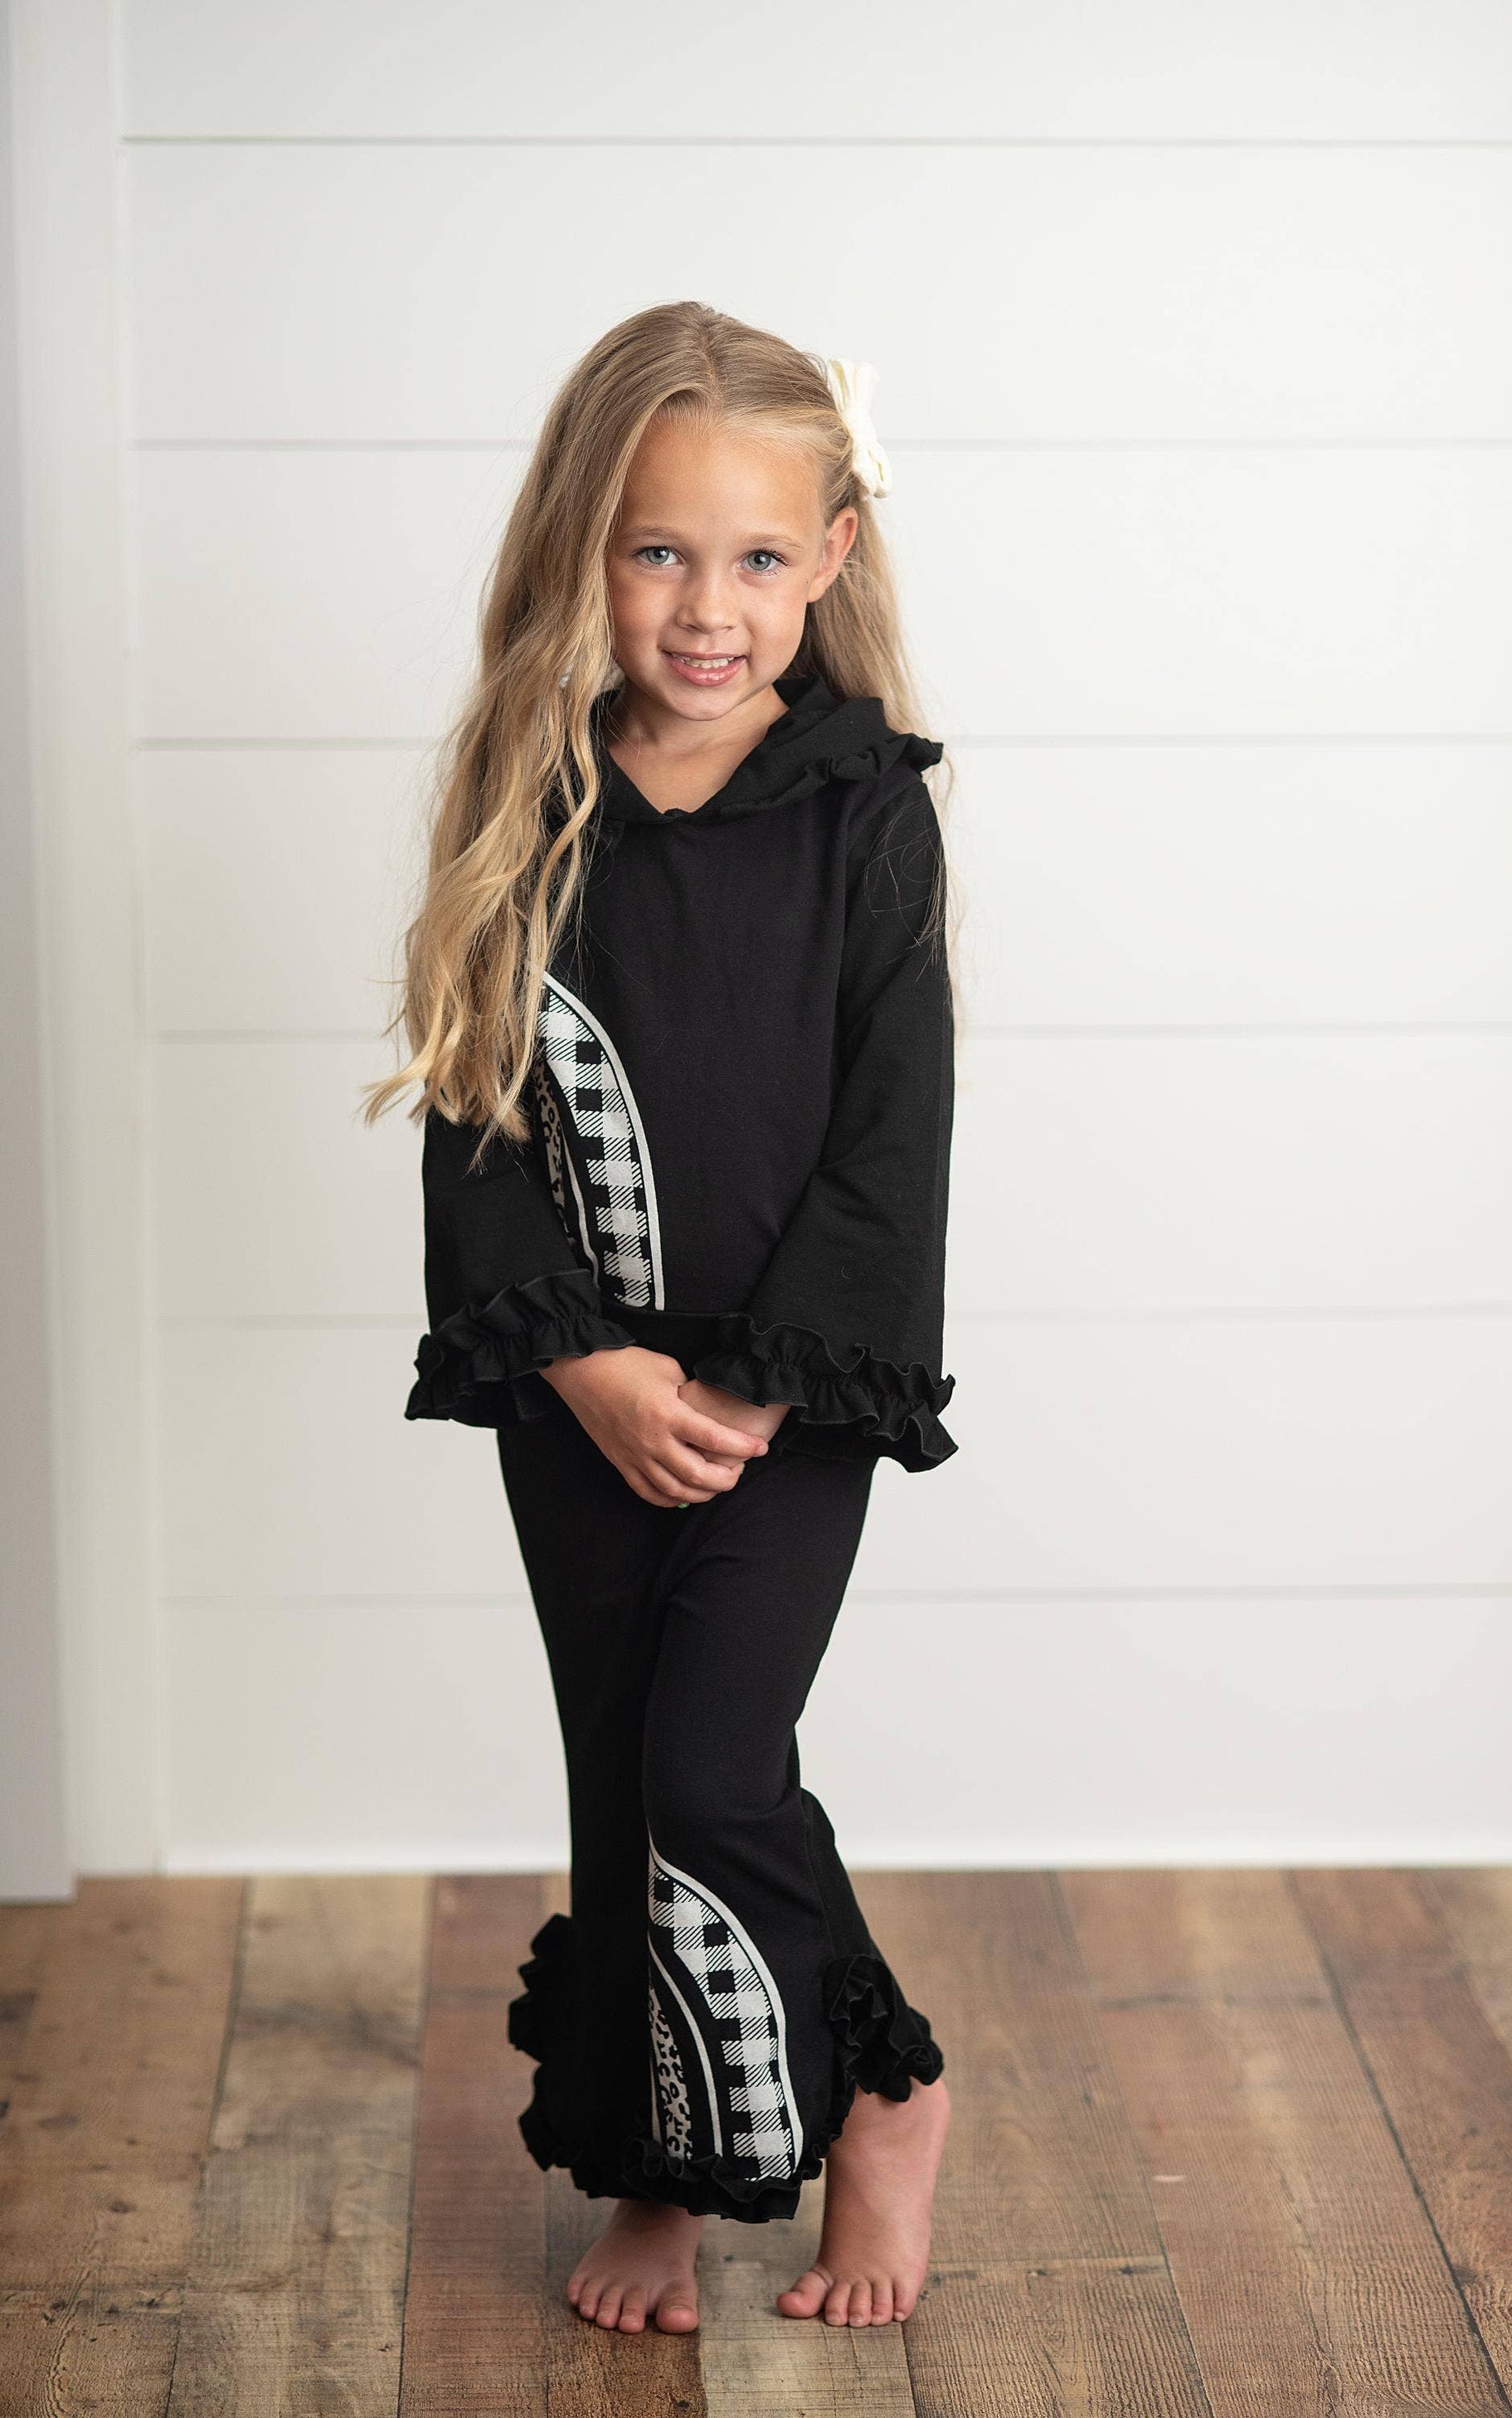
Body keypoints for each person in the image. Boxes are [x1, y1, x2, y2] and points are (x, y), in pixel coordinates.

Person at [366, 301, 958, 2337]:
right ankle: (661, 2178)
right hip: (583, 1390)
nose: (709, 607)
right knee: (627, 1779)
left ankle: (881, 2096)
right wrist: (585, 1360)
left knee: (717, 1765)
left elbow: (892, 1133)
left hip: (790, 1394)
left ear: (832, 556)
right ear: (583, 550)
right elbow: (475, 1110)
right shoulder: (529, 794)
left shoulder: (864, 807)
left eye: (759, 556)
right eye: (659, 552)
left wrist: (760, 1383)